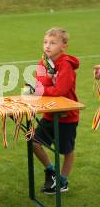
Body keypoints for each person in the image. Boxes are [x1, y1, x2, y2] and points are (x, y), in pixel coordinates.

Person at [33, 28, 79, 194]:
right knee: (34, 143)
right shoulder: (43, 61)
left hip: (67, 115)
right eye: (45, 42)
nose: (47, 46)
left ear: (63, 46)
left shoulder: (66, 64)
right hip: (49, 113)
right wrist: (44, 85)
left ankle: (63, 181)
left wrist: (42, 89)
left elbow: (61, 89)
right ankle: (51, 171)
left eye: (53, 43)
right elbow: (39, 82)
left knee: (66, 150)